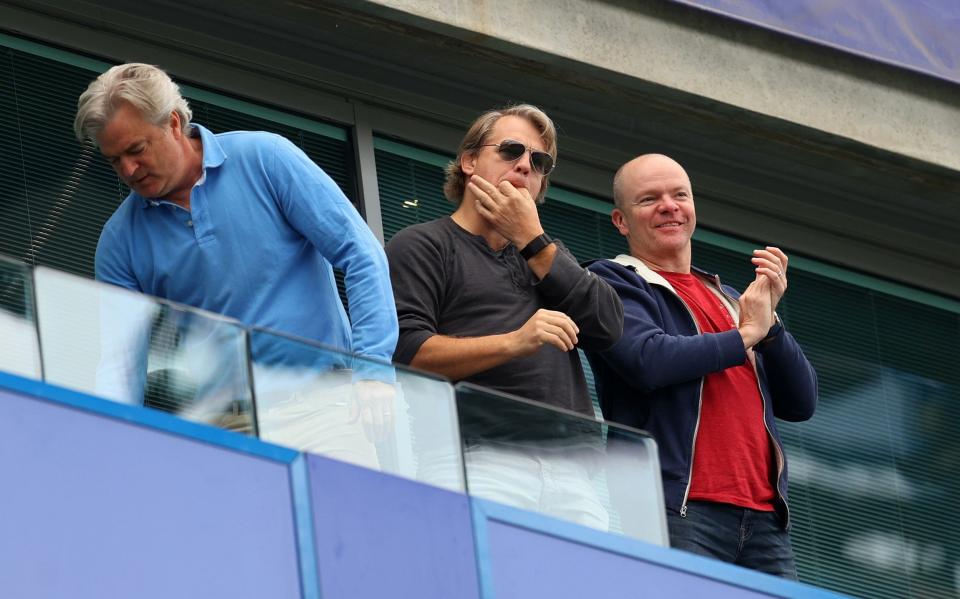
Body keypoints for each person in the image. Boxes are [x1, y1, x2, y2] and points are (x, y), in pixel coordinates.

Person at [75, 63, 398, 457]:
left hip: (324, 410)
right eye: (114, 160)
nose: (127, 169)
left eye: (136, 150)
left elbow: (361, 254)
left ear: (173, 123)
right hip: (224, 432)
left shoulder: (265, 158)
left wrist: (373, 372)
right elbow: (121, 364)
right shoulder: (119, 240)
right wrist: (111, 446)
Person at [385, 104, 624, 529]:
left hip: (573, 472)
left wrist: (531, 239)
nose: (525, 165)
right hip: (477, 456)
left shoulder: (546, 252)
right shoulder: (423, 244)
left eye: (539, 161)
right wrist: (516, 341)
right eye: (511, 150)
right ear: (469, 160)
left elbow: (608, 326)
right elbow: (407, 352)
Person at [585, 154, 817, 578]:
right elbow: (648, 361)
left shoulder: (731, 298)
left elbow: (802, 402)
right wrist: (747, 334)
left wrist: (772, 330)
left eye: (680, 195)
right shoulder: (611, 281)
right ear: (621, 221)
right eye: (649, 199)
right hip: (676, 509)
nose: (669, 206)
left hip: (765, 519)